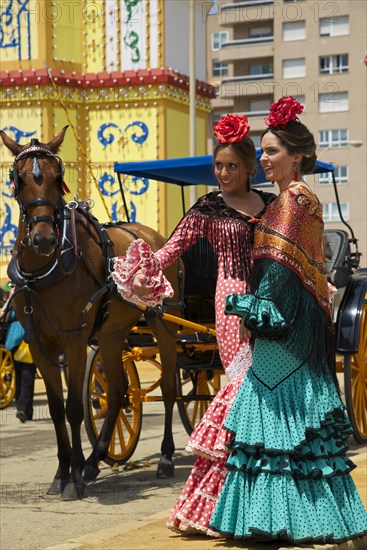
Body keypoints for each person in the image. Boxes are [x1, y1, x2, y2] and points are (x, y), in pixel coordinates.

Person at [205, 97, 367, 544]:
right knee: (294, 437)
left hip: (283, 336)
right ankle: (300, 521)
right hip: (291, 335)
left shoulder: (293, 201)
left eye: (272, 150)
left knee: (277, 433)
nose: (263, 157)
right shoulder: (294, 200)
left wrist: (251, 313)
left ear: (297, 157)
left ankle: (278, 523)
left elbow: (278, 275)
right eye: (262, 150)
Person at [111, 114, 276, 534]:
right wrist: (140, 269)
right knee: (242, 393)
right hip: (232, 303)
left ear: (249, 167)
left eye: (231, 166)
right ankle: (222, 504)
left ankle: (265, 501)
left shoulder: (271, 205)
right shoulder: (207, 207)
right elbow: (170, 250)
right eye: (218, 166)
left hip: (274, 303)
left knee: (269, 396)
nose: (222, 173)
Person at [1, 282, 36, 423]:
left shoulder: (25, 296)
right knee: (22, 375)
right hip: (18, 339)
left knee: (25, 375)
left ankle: (24, 409)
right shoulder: (15, 296)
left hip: (25, 339)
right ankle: (23, 409)